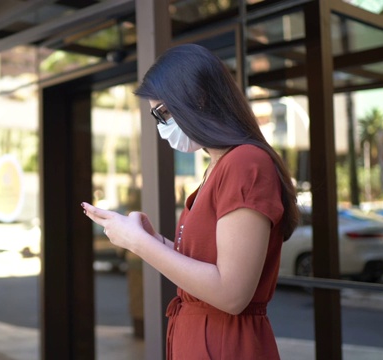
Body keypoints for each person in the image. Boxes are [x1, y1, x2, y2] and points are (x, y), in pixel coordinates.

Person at [81, 44, 299, 359]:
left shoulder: (246, 163)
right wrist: (149, 239)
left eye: (164, 113)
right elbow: (207, 266)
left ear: (198, 98)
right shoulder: (219, 166)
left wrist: (142, 244)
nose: (161, 126)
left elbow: (231, 293)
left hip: (227, 344)